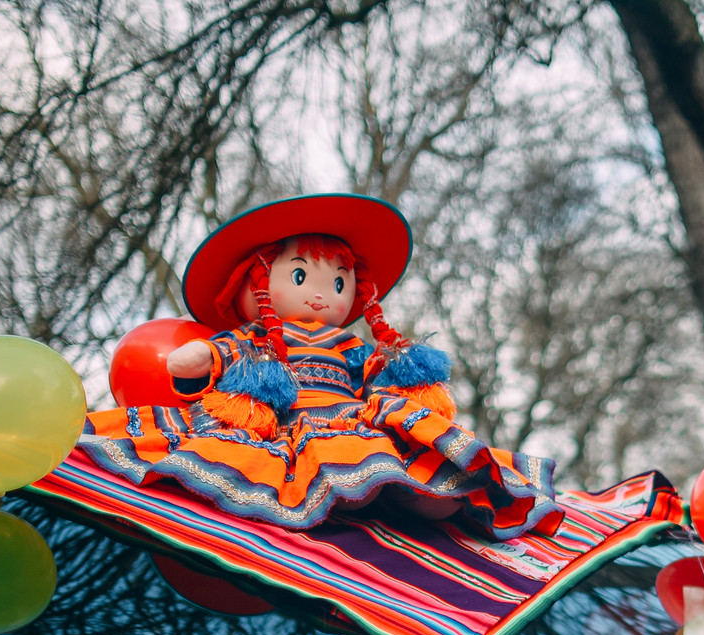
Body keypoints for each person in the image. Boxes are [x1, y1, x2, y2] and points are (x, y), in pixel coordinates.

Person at [85, 193, 562, 537]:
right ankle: (368, 492)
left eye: (338, 283)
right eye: (299, 275)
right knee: (263, 459)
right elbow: (215, 356)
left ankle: (411, 489)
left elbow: (370, 374)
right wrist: (205, 357)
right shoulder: (257, 340)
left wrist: (393, 379)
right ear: (255, 283)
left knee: (391, 447)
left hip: (347, 415)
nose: (320, 294)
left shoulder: (347, 342)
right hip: (282, 424)